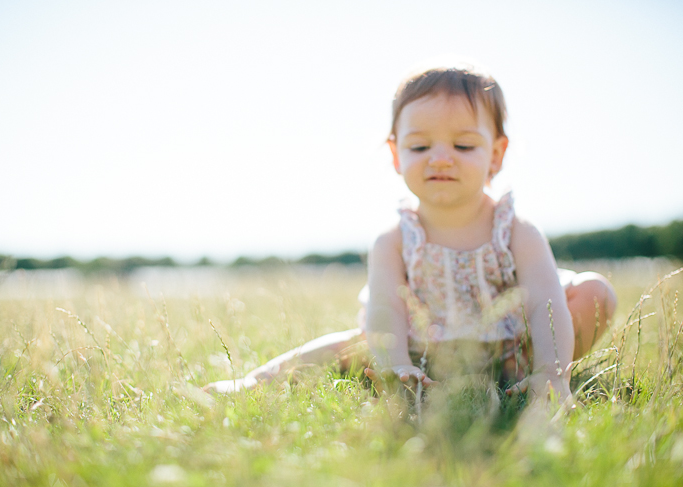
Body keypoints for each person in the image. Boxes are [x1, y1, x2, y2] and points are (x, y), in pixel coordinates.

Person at [205, 65, 617, 403]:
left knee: (594, 293)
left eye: (463, 146)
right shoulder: (395, 240)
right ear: (395, 154)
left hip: (511, 357)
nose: (440, 158)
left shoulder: (517, 232)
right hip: (420, 354)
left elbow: (546, 305)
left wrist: (550, 368)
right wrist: (396, 363)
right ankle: (255, 382)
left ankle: (539, 382)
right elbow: (385, 313)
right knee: (349, 344)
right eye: (420, 147)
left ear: (496, 154)